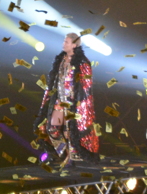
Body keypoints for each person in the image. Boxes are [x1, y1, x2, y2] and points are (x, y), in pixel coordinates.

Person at [34, 32, 99, 164]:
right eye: (64, 41)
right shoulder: (61, 60)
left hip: (74, 103)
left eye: (66, 42)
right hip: (59, 100)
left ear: (74, 45)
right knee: (52, 128)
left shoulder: (82, 62)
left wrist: (79, 105)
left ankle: (72, 158)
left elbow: (86, 87)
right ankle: (63, 154)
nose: (63, 44)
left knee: (71, 131)